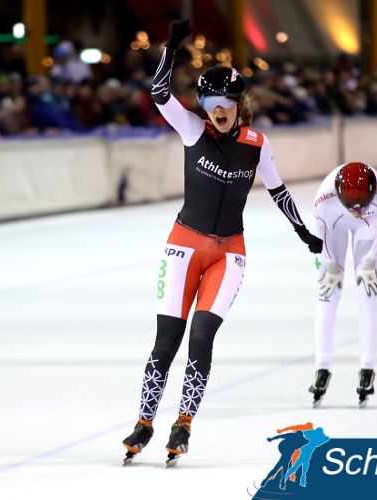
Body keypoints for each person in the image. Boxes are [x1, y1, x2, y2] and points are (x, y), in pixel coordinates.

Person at [121, 20, 322, 466]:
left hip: (229, 252)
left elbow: (278, 190)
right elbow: (158, 93)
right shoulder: (192, 130)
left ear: (238, 103)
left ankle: (183, 423)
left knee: (203, 337)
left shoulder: (256, 144)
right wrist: (171, 48)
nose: (218, 109)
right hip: (184, 246)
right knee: (166, 341)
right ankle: (145, 421)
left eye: (226, 101)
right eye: (210, 101)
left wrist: (302, 231)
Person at [308, 162, 377, 408]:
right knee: (328, 293)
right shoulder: (324, 198)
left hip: (370, 227)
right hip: (333, 224)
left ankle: (367, 368)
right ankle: (322, 367)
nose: (357, 212)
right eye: (353, 207)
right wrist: (331, 265)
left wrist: (370, 262)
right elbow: (320, 231)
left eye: (362, 206)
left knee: (368, 294)